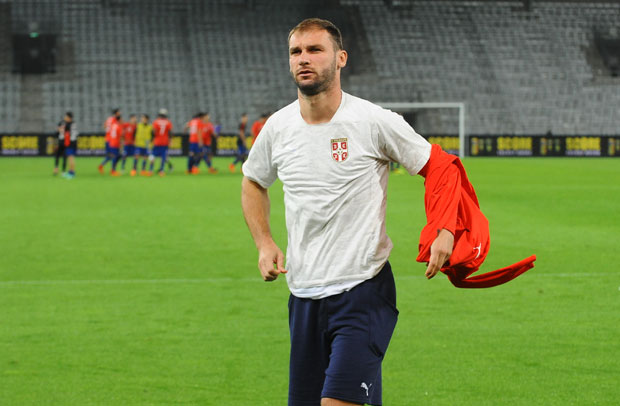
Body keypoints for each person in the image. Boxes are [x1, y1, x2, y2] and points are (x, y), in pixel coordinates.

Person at [241, 18, 454, 406]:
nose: (303, 58)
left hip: (363, 290)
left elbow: (439, 166)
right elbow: (253, 181)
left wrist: (444, 228)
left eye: (315, 50)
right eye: (296, 51)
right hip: (303, 295)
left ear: (340, 58)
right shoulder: (277, 127)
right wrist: (264, 242)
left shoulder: (373, 121)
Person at [147, 108, 173, 177]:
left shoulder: (156, 122)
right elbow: (170, 133)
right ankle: (161, 171)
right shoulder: (168, 122)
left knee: (152, 156)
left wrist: (151, 140)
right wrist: (170, 141)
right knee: (163, 157)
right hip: (164, 142)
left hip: (157, 142)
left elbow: (153, 132)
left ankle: (150, 170)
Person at [54, 112, 78, 179]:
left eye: (66, 117)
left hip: (70, 143)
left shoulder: (68, 125)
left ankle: (71, 174)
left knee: (70, 158)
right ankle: (71, 172)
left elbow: (64, 133)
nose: (65, 118)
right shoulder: (74, 124)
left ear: (69, 118)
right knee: (71, 158)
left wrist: (60, 129)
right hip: (74, 142)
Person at [99, 108, 121, 173]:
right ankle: (113, 170)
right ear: (116, 113)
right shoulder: (114, 120)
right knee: (115, 155)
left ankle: (101, 165)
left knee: (111, 155)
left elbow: (104, 126)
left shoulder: (109, 119)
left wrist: (107, 131)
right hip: (111, 140)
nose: (120, 114)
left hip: (107, 139)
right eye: (119, 113)